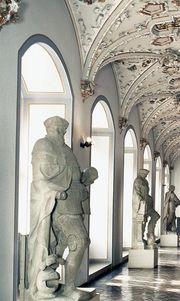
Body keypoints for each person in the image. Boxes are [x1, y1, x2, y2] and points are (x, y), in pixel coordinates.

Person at [27, 116, 98, 300]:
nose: (61, 133)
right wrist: (55, 192)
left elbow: (73, 176)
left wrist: (85, 176)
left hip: (73, 204)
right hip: (60, 205)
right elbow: (39, 180)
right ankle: (68, 288)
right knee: (80, 241)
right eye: (57, 129)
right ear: (48, 128)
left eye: (63, 130)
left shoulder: (66, 149)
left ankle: (48, 282)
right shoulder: (43, 145)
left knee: (61, 246)